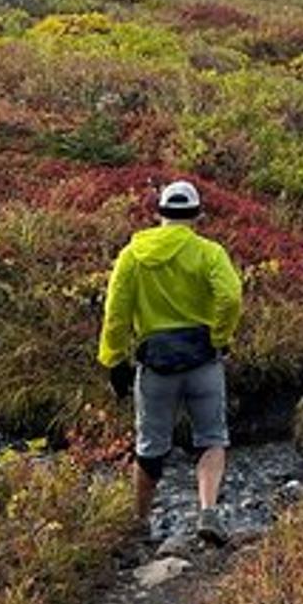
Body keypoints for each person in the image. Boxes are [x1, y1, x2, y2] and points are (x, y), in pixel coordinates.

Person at [98, 179, 244, 545]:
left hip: (156, 367)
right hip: (203, 362)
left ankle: (139, 523)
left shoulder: (133, 255)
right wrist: (219, 338)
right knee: (211, 440)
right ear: (197, 215)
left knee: (150, 448)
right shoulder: (209, 252)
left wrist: (114, 359)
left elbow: (115, 312)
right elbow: (230, 297)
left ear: (159, 212)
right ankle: (207, 511)